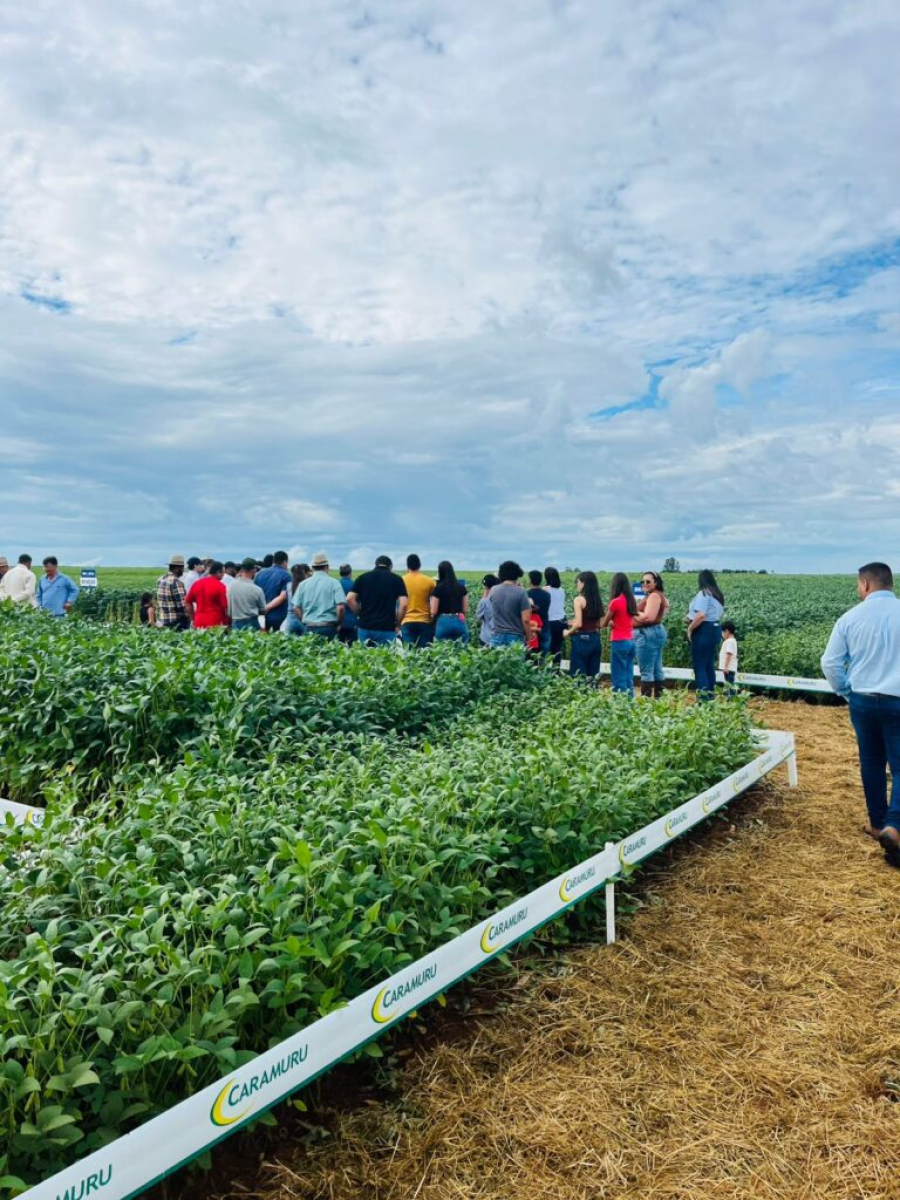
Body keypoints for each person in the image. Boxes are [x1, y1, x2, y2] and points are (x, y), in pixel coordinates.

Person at [821, 562, 900, 867]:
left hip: (863, 700)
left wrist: (846, 691)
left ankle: (878, 824)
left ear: (866, 584)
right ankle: (895, 825)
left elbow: (830, 662)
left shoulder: (850, 618)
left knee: (871, 762)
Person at [347, 556, 408, 647]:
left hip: (365, 627)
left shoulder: (362, 578)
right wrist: (398, 624)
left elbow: (349, 598)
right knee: (386, 658)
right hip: (387, 628)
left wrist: (360, 613)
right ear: (390, 567)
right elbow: (403, 604)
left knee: (363, 658)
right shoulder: (397, 579)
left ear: (375, 565)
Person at [687, 569, 725, 701]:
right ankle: (710, 696)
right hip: (715, 628)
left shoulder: (704, 593)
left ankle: (703, 699)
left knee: (699, 666)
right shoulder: (717, 594)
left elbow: (701, 615)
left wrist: (690, 628)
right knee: (709, 665)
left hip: (704, 630)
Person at [292, 552, 346, 640]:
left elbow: (295, 608)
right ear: (327, 567)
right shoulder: (334, 583)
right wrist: (339, 623)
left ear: (312, 568)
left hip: (309, 625)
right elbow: (341, 608)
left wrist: (303, 620)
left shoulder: (303, 584)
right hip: (329, 626)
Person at [633, 571, 670, 698]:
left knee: (646, 671)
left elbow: (649, 617)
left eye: (648, 581)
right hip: (655, 632)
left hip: (646, 634)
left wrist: (632, 613)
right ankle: (659, 700)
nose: (645, 584)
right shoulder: (658, 595)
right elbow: (665, 608)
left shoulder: (654, 596)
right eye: (642, 581)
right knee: (657, 669)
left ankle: (646, 703)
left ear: (656, 582)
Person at [601, 573, 637, 695]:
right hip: (631, 641)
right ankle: (630, 703)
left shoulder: (615, 602)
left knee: (618, 677)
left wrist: (609, 622)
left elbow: (604, 623)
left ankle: (620, 706)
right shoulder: (631, 600)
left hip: (619, 641)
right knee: (628, 676)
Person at [562, 571, 603, 678]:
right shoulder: (596, 599)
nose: (577, 584)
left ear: (584, 583)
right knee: (593, 676)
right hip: (595, 638)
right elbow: (598, 624)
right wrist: (574, 622)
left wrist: (568, 632)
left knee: (578, 676)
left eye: (578, 582)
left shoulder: (579, 599)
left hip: (581, 640)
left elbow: (579, 623)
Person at [488, 561, 532, 649]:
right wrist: (529, 637)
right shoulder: (521, 592)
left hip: (496, 635)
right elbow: (526, 619)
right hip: (515, 637)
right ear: (517, 574)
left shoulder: (493, 590)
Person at [401, 554, 436, 648]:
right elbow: (434, 602)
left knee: (409, 653)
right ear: (419, 565)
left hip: (406, 620)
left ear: (407, 565)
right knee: (425, 654)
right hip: (425, 620)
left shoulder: (401, 580)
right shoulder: (429, 581)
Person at [430, 560, 469, 644]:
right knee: (461, 650)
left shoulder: (438, 589)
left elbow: (433, 611)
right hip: (459, 619)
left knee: (441, 651)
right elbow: (465, 609)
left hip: (443, 621)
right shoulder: (462, 588)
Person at [184, 561, 229, 629]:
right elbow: (225, 608)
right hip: (215, 623)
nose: (223, 575)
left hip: (199, 621)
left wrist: (192, 619)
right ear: (218, 572)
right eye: (223, 573)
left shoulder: (197, 583)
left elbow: (187, 603)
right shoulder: (220, 586)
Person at [255, 551, 292, 632]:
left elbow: (254, 595)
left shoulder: (259, 575)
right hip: (279, 616)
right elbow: (283, 597)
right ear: (285, 562)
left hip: (260, 617)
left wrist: (262, 610)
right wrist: (267, 608)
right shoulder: (286, 575)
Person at [228, 558, 267, 631]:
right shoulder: (257, 589)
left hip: (236, 623)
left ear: (242, 569)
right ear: (254, 569)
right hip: (252, 623)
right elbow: (263, 610)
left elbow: (228, 608)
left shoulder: (231, 587)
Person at [156, 555, 189, 630]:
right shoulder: (176, 582)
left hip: (163, 618)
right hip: (176, 621)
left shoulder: (160, 579)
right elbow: (182, 605)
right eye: (182, 568)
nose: (183, 570)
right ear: (178, 568)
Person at [543, 567, 567, 662]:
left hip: (550, 621)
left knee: (546, 648)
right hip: (561, 621)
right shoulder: (561, 590)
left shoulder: (545, 589)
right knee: (557, 649)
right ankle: (556, 671)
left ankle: (547, 673)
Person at [527, 570, 551, 654]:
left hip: (530, 628)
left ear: (530, 581)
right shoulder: (547, 595)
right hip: (544, 626)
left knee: (530, 656)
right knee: (544, 656)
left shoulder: (526, 594)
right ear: (540, 581)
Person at [476, 574, 499, 647]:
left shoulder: (484, 601)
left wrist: (484, 597)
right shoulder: (502, 598)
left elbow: (478, 616)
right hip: (500, 637)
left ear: (485, 587)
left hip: (486, 637)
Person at [338, 564, 357, 645]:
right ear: (350, 573)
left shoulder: (336, 584)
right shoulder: (354, 584)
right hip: (352, 621)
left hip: (338, 620)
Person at [719, 621, 739, 694]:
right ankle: (730, 699)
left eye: (722, 632)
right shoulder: (731, 641)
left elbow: (729, 654)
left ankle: (732, 699)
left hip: (729, 668)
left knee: (730, 685)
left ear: (726, 631)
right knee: (729, 684)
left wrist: (726, 666)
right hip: (729, 668)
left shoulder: (730, 641)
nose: (722, 634)